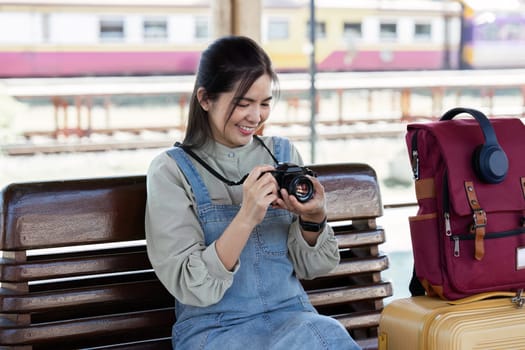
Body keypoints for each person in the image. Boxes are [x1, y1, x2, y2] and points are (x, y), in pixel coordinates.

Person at [145, 35, 361, 350]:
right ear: (205, 99)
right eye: (243, 104)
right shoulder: (171, 171)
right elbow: (194, 288)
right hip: (214, 331)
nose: (255, 117)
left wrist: (314, 219)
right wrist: (246, 216)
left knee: (325, 333)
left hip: (293, 319)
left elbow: (314, 268)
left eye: (264, 103)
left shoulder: (283, 154)